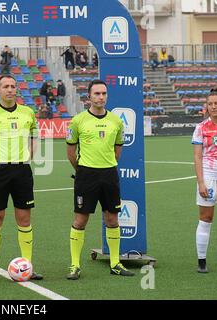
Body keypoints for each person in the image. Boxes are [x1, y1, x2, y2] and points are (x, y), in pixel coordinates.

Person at [0, 75, 43, 282]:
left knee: (24, 219)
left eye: (13, 86)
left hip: (22, 171)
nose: (10, 90)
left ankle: (27, 266)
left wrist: (27, 158)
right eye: (6, 86)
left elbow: (35, 137)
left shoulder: (28, 113)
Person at [65, 79, 135, 280]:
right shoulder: (78, 120)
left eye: (103, 93)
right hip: (86, 175)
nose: (101, 97)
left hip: (109, 174)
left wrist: (108, 165)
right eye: (96, 94)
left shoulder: (116, 121)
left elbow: (118, 149)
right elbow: (71, 151)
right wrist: (81, 170)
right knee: (80, 220)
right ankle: (74, 265)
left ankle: (115, 263)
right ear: (89, 97)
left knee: (112, 219)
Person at [192, 87, 217, 273]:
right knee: (206, 218)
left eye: (216, 103)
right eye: (210, 104)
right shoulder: (201, 128)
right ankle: (202, 260)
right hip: (209, 177)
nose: (213, 107)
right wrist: (201, 182)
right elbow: (197, 157)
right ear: (207, 106)